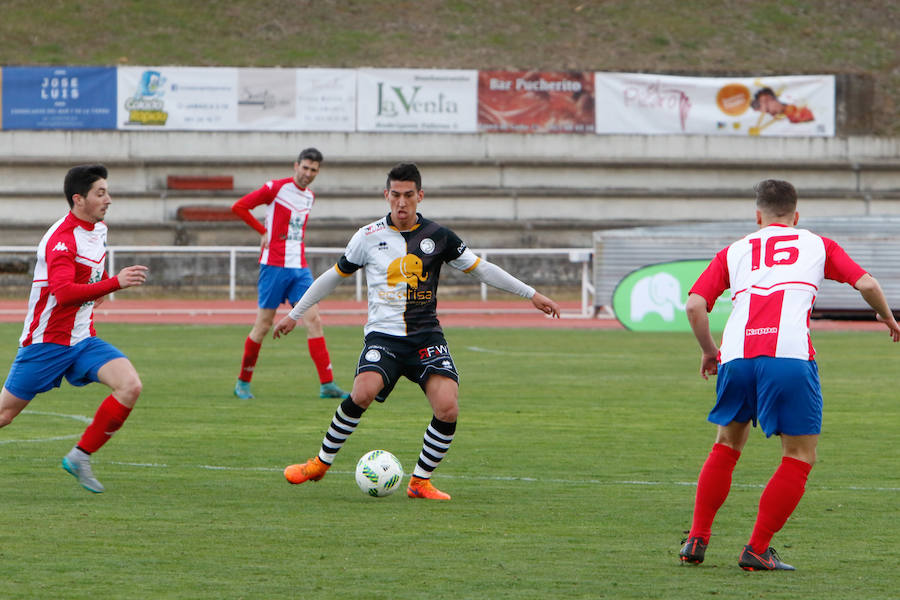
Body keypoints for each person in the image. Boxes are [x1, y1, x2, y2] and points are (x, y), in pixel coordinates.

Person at [272, 162, 560, 500]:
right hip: (384, 337)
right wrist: (295, 313)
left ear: (420, 196)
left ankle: (420, 481)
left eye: (409, 195)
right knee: (362, 392)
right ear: (386, 195)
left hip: (426, 338)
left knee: (448, 407)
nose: (402, 203)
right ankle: (320, 464)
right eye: (395, 195)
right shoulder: (367, 237)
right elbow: (334, 276)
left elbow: (481, 269)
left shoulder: (439, 237)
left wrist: (531, 293)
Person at [679, 179, 900, 570]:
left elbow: (695, 305)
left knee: (727, 445)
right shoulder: (818, 244)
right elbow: (867, 283)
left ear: (757, 216)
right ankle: (757, 549)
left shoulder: (734, 250)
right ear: (796, 217)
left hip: (736, 357)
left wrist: (709, 352)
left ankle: (696, 539)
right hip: (789, 357)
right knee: (799, 454)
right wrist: (885, 316)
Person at [0, 164, 149, 493]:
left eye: (107, 191)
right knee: (5, 415)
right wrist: (115, 283)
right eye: (101, 193)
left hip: (82, 340)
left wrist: (102, 290)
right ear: (78, 199)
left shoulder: (99, 229)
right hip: (47, 343)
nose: (108, 199)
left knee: (130, 385)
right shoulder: (61, 241)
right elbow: (64, 293)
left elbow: (91, 272)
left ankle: (80, 456)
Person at [231, 147, 349, 401]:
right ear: (295, 166)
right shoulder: (276, 188)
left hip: (300, 268)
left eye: (313, 170)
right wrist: (262, 230)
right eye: (304, 167)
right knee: (263, 325)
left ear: (318, 172)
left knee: (314, 320)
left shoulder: (309, 197)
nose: (308, 173)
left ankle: (327, 384)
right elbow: (240, 207)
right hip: (273, 266)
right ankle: (242, 382)